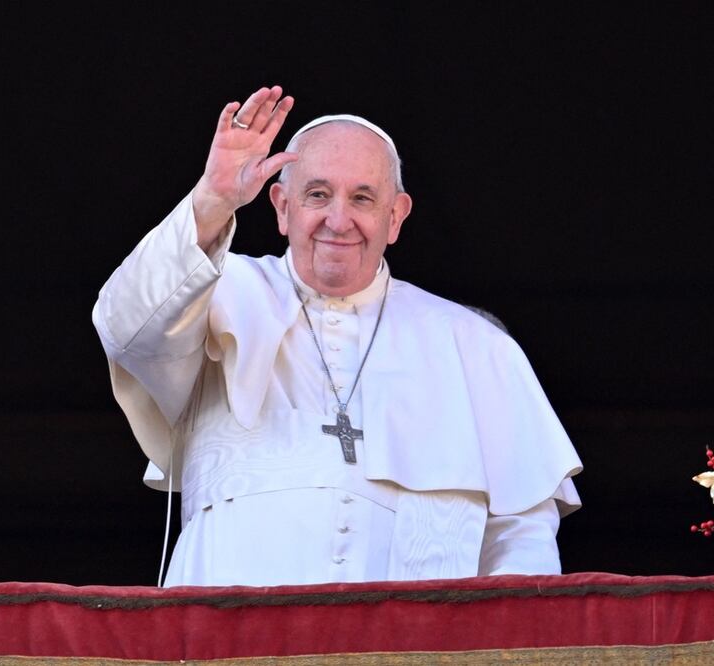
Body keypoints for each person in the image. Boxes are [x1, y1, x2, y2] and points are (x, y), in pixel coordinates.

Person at [92, 85, 582, 587]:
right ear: (281, 207)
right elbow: (127, 327)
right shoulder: (215, 292)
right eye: (318, 194)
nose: (338, 220)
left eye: (363, 198)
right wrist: (212, 201)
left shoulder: (476, 347)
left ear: (396, 217)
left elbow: (522, 541)